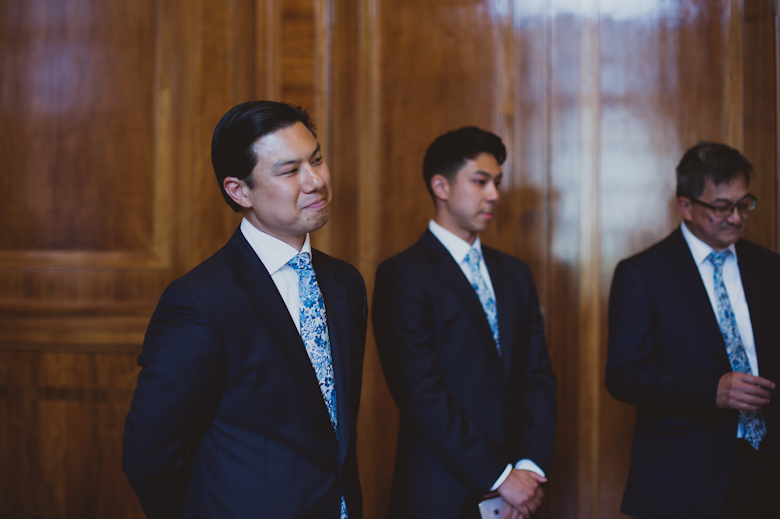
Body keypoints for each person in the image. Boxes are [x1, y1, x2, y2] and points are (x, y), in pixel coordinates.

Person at [122, 101, 367, 519]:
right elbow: (150, 456)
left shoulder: (345, 283)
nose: (315, 181)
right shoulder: (200, 301)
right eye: (290, 171)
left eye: (317, 160)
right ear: (239, 190)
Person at [372, 127, 557, 519]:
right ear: (441, 185)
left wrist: (528, 469)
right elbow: (422, 393)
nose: (494, 194)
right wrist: (501, 476)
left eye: (498, 183)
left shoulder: (515, 273)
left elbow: (538, 376)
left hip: (519, 496)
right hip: (440, 492)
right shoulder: (404, 274)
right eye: (480, 181)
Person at [606, 142, 780, 519]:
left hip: (765, 473)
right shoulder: (642, 274)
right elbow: (623, 375)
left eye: (743, 204)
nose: (736, 217)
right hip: (683, 479)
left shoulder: (769, 268)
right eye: (721, 207)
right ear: (685, 206)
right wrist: (710, 390)